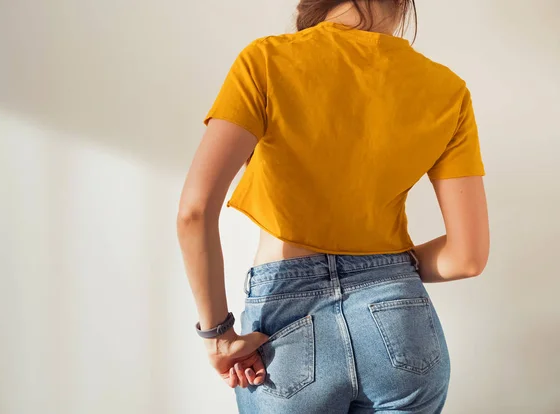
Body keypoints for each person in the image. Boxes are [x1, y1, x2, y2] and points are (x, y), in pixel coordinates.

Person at [177, 0, 490, 412]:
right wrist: (383, 270)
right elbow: (467, 258)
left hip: (286, 322)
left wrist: (218, 335)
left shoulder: (267, 61)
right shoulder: (448, 89)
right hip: (400, 320)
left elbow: (194, 212)